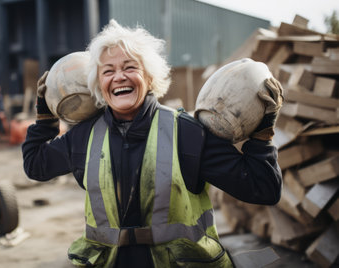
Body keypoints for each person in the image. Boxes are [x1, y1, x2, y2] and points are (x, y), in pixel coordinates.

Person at [22, 20, 283, 268]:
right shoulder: (84, 137)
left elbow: (263, 189)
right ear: (99, 85)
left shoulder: (188, 134)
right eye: (108, 71)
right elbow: (36, 165)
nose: (119, 77)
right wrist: (45, 118)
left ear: (149, 77)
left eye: (130, 67)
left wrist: (262, 135)